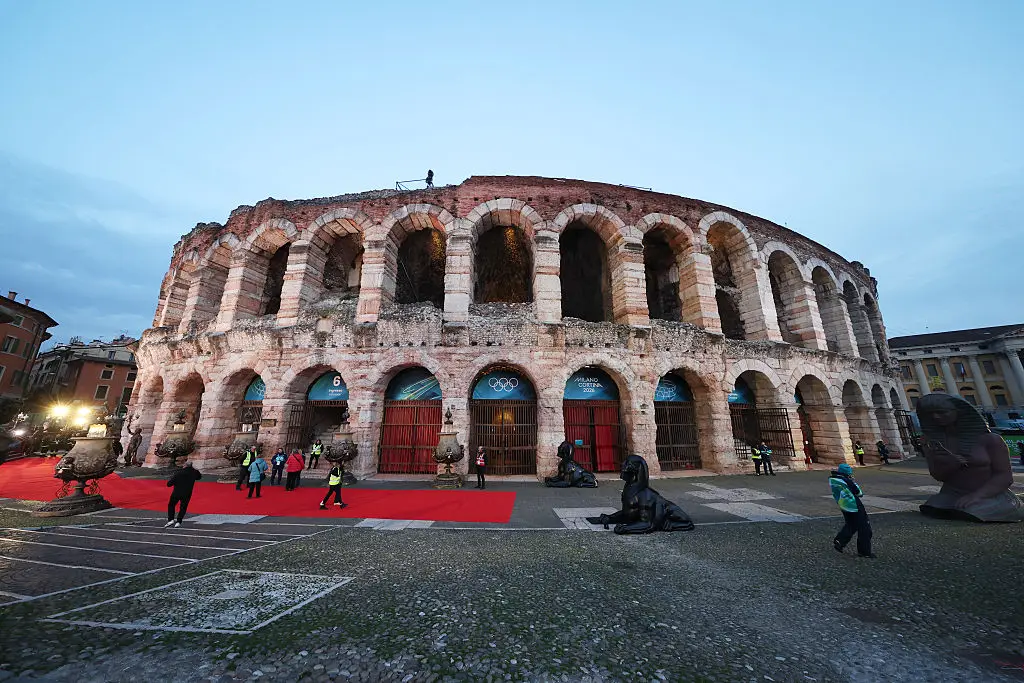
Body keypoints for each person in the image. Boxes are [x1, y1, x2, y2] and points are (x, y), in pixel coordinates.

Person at [829, 463, 874, 558]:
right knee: (865, 528)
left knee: (851, 524)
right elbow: (859, 493)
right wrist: (853, 481)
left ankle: (840, 541)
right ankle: (864, 551)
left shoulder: (833, 479)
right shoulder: (847, 481)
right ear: (848, 473)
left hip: (844, 505)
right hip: (854, 505)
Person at [165, 461, 202, 528]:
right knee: (183, 507)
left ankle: (171, 519)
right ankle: (179, 521)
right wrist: (195, 470)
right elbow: (199, 477)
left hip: (176, 492)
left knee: (171, 505)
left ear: (185, 465)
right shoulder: (194, 473)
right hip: (187, 493)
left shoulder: (179, 473)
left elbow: (169, 484)